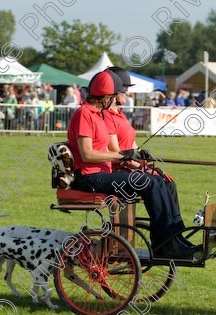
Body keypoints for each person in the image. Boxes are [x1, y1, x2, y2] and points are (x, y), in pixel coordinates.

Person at [67, 70, 199, 259]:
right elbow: (87, 154)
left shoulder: (98, 114)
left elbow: (108, 149)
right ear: (104, 96)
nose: (114, 100)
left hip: (102, 174)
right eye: (112, 96)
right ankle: (169, 245)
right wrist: (122, 156)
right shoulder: (84, 114)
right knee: (150, 183)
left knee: (159, 181)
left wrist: (130, 154)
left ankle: (172, 240)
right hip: (89, 176)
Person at [104, 66, 182, 212]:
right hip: (120, 171)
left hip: (130, 167)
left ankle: (173, 228)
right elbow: (117, 154)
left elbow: (133, 146)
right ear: (115, 91)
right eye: (125, 90)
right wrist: (143, 169)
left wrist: (147, 161)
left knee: (168, 183)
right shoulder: (107, 116)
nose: (127, 94)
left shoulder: (120, 114)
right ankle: (165, 230)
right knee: (160, 182)